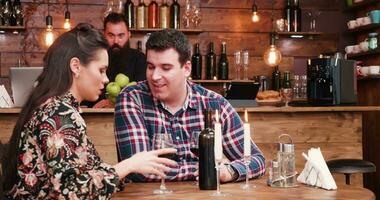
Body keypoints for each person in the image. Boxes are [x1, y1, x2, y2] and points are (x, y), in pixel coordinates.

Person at [2, 23, 176, 199]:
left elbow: (91, 172)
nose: (106, 79)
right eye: (101, 70)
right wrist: (128, 165)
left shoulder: (58, 107)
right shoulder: (58, 113)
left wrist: (128, 168)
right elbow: (71, 193)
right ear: (76, 66)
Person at [114, 29, 266, 183]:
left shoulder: (215, 104)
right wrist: (207, 169)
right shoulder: (132, 99)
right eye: (151, 67)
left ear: (186, 68)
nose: (155, 76)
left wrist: (229, 171)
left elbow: (256, 160)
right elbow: (139, 172)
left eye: (165, 68)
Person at [104, 12, 146, 83]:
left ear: (129, 35)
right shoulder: (97, 60)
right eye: (111, 35)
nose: (116, 41)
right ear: (104, 35)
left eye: (120, 36)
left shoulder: (140, 59)